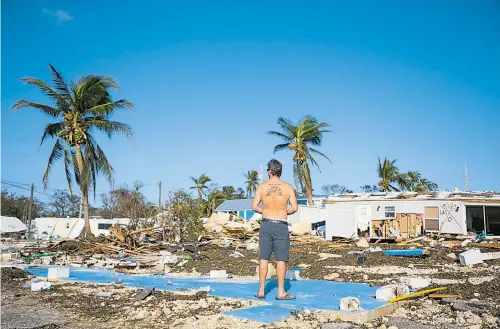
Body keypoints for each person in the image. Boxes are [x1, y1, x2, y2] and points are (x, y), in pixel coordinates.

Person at [251, 159, 298, 300]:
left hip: (266, 224)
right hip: (281, 224)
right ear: (280, 171)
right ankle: (281, 292)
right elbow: (294, 208)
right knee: (281, 259)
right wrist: (284, 212)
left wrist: (265, 211)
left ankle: (261, 291)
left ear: (269, 171)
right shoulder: (288, 187)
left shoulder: (262, 186)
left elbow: (254, 206)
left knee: (263, 258)